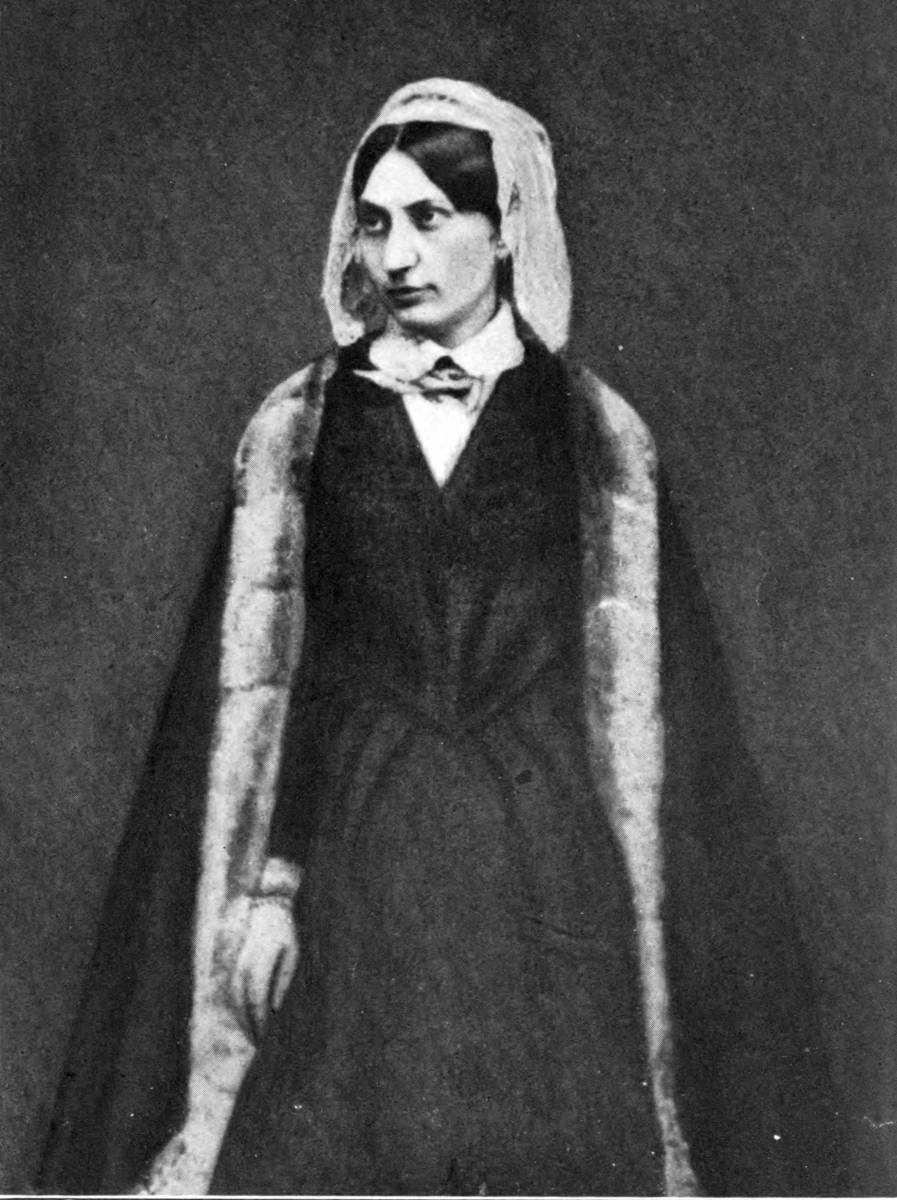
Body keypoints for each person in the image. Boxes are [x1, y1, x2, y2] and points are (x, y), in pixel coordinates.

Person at [39, 79, 848, 1197]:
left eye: (428, 218)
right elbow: (293, 683)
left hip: (548, 873)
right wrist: (270, 892)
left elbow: (663, 712)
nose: (396, 255)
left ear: (504, 228)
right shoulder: (303, 426)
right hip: (357, 867)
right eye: (375, 223)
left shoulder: (597, 434)